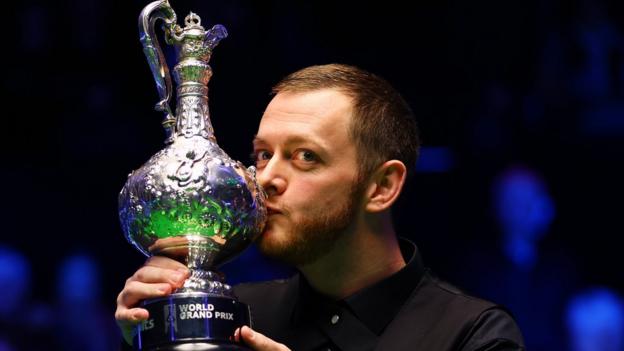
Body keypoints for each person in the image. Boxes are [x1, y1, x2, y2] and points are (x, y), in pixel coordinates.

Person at [116, 64, 524, 350]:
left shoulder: (471, 336)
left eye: (305, 156)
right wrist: (151, 336)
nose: (265, 178)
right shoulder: (231, 314)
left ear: (382, 186)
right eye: (262, 155)